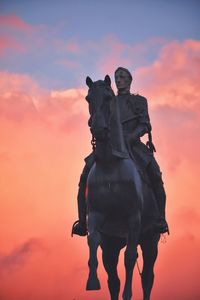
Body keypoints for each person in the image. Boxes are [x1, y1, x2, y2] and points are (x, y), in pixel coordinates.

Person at [72, 67, 169, 236]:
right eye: (117, 77)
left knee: (155, 174)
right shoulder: (108, 100)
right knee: (84, 177)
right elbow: (96, 118)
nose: (119, 79)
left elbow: (145, 124)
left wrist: (132, 135)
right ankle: (82, 222)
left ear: (130, 80)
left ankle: (160, 218)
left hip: (134, 145)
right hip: (110, 145)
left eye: (122, 76)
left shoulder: (139, 101)